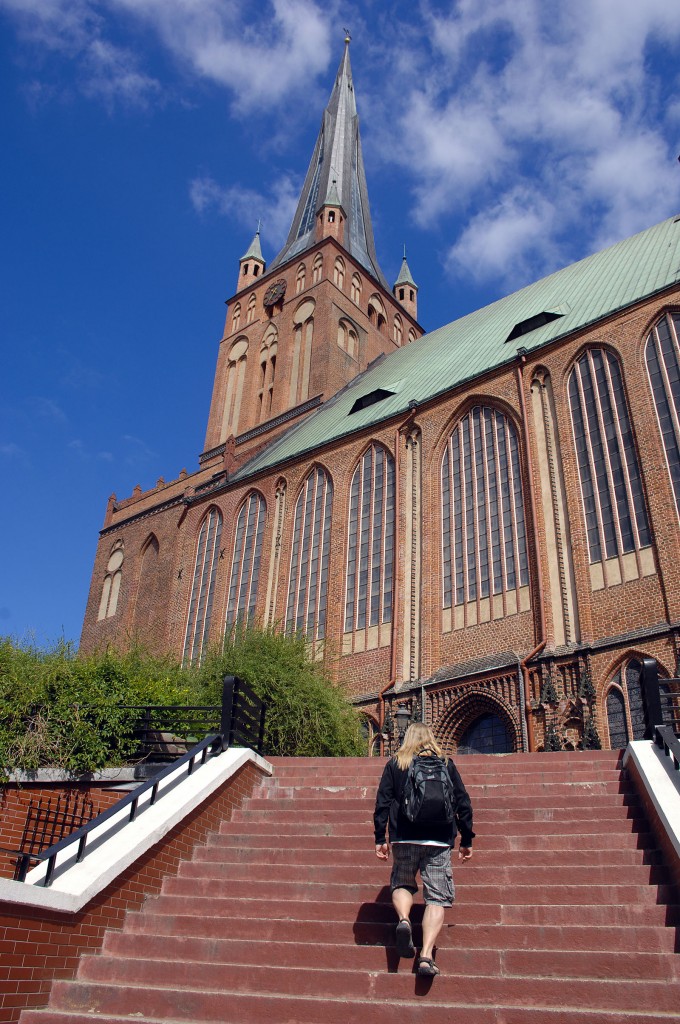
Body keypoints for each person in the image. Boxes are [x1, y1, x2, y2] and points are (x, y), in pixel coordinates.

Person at [373, 722, 474, 977]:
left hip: (404, 836)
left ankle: (405, 920)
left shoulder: (397, 763)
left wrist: (380, 837)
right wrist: (467, 839)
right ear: (431, 738)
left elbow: (382, 801)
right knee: (437, 897)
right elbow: (462, 802)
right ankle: (426, 956)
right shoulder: (445, 763)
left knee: (403, 883)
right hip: (439, 839)